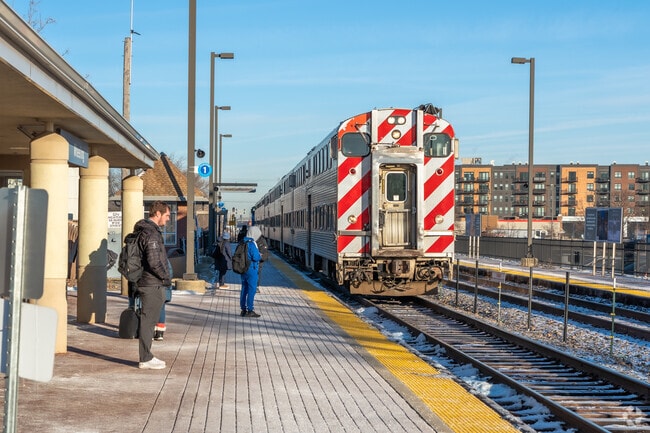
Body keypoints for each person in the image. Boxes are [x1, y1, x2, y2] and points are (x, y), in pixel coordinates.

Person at [132, 201, 172, 369]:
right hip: (151, 283)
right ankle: (146, 358)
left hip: (147, 281)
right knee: (148, 321)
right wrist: (166, 278)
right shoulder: (152, 234)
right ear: (158, 214)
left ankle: (147, 356)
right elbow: (154, 261)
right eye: (167, 215)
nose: (168, 219)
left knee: (148, 320)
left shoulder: (145, 231)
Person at [239, 225, 262, 317]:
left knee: (244, 289)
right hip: (251, 269)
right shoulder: (252, 244)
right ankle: (250, 310)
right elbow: (255, 257)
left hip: (243, 268)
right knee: (252, 290)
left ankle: (243, 309)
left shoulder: (242, 242)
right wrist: (259, 255)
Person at [154, 259, 173, 341]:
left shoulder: (150, 257)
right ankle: (160, 333)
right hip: (165, 288)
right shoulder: (165, 259)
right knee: (161, 309)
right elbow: (170, 273)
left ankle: (151, 330)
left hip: (153, 288)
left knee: (150, 309)